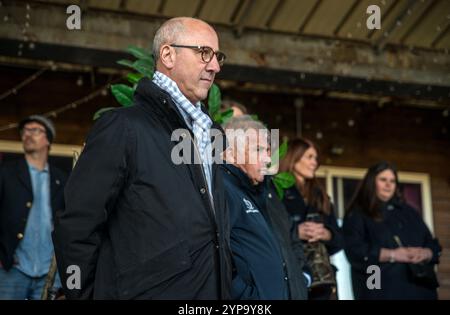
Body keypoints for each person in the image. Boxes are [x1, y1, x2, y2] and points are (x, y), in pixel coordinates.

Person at [52, 17, 232, 299]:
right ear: (168, 55)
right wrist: (85, 295)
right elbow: (77, 225)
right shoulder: (123, 127)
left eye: (217, 56)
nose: (215, 66)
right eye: (204, 53)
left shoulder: (212, 134)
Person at [220, 115, 309, 300]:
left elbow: (289, 241)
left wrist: (302, 278)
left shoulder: (262, 192)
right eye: (258, 149)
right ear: (231, 153)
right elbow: (213, 255)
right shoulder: (222, 190)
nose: (268, 158)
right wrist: (248, 297)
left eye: (268, 150)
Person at [343, 161, 441, 300]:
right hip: (376, 281)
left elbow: (432, 244)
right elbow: (355, 251)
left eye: (392, 181)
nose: (388, 185)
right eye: (383, 180)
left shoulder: (409, 212)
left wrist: (425, 253)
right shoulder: (358, 213)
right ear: (372, 182)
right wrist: (393, 254)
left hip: (418, 287)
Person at [0, 115, 66, 300]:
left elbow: (66, 224)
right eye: (25, 131)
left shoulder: (61, 179)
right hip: (11, 269)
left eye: (35, 130)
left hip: (49, 272)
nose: (28, 134)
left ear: (48, 139)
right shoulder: (6, 173)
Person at [279, 138, 343, 300]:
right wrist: (296, 232)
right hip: (290, 276)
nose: (315, 162)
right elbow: (268, 231)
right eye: (309, 157)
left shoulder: (321, 196)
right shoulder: (276, 191)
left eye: (316, 158)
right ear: (293, 158)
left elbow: (340, 240)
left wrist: (326, 234)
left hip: (323, 282)